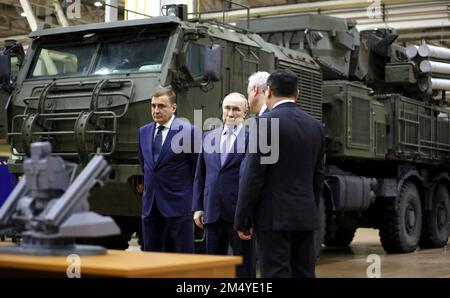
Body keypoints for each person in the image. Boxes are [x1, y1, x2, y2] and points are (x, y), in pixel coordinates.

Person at [234, 70, 325, 278]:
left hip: (273, 218)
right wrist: (310, 208)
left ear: (269, 92)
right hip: (305, 215)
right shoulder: (315, 126)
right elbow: (318, 177)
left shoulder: (265, 124)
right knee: (304, 273)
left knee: (275, 274)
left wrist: (242, 219)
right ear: (297, 93)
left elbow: (254, 175)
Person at [192, 92, 255, 278]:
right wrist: (198, 207)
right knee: (213, 269)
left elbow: (255, 180)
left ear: (245, 113)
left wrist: (250, 215)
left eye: (236, 109)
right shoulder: (208, 137)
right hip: (212, 214)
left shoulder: (253, 139)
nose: (230, 112)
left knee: (244, 268)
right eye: (227, 107)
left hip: (239, 215)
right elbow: (200, 175)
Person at [138, 87, 198, 253]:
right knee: (152, 256)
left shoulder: (188, 132)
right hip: (151, 206)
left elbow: (196, 170)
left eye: (161, 106)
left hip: (179, 205)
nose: (156, 110)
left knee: (183, 256)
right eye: (153, 106)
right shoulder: (143, 132)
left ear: (173, 107)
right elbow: (145, 166)